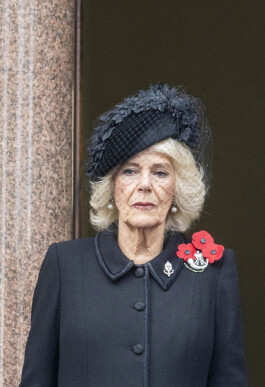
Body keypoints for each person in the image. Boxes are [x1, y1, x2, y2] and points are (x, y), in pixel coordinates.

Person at [21, 84, 247, 386]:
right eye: (129, 171)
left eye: (160, 172)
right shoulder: (65, 265)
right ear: (112, 188)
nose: (144, 185)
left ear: (177, 190)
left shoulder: (212, 274)